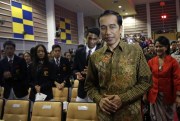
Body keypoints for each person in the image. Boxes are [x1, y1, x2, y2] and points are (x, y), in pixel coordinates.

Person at [84, 10, 152, 121]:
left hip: (131, 114)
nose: (107, 32)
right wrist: (99, 99)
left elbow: (146, 81)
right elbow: (89, 86)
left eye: (112, 27)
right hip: (104, 116)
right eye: (103, 27)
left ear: (120, 28)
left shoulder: (135, 51)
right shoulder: (95, 56)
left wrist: (123, 98)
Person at [147, 36, 180, 121]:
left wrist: (178, 96)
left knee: (169, 117)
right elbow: (147, 79)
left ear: (166, 47)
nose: (158, 48)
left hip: (169, 96)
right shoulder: (151, 62)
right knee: (156, 118)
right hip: (154, 96)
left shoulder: (173, 62)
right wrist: (144, 94)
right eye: (156, 46)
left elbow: (177, 80)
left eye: (160, 46)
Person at [73, 27, 100, 102]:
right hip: (82, 90)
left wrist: (91, 72)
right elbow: (74, 68)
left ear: (98, 39)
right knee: (79, 111)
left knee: (94, 113)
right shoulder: (79, 52)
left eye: (94, 39)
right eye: (89, 38)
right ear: (86, 38)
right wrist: (76, 74)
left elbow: (106, 72)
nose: (91, 41)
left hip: (96, 90)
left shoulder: (102, 52)